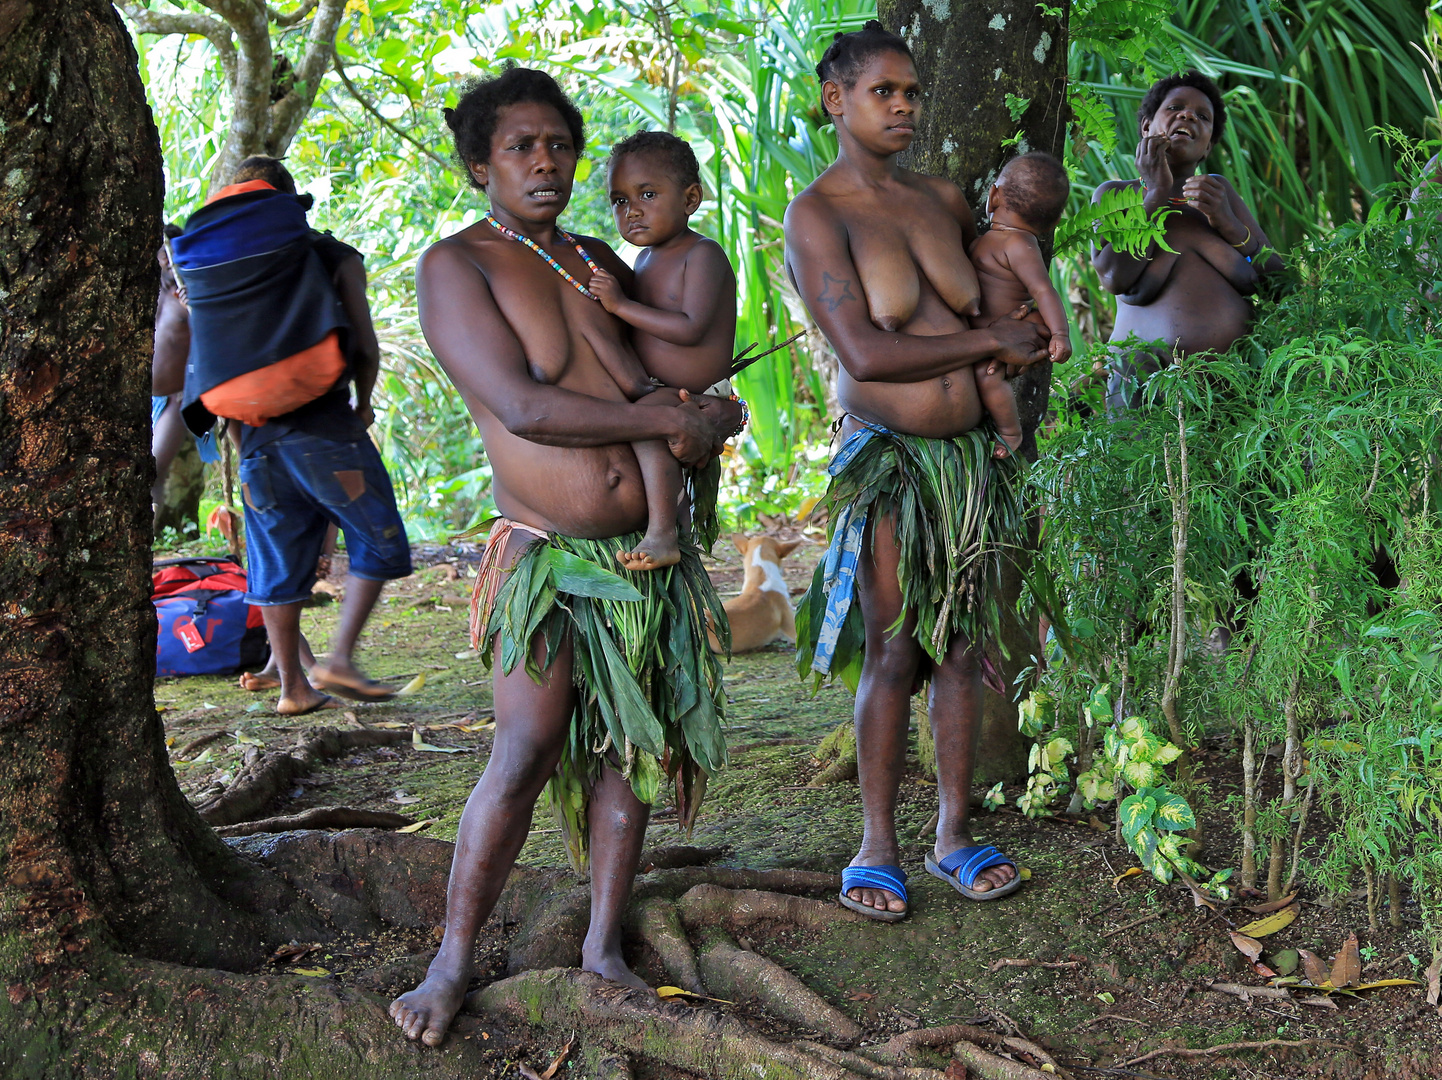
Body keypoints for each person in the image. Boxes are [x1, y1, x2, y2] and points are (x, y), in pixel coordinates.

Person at [389, 67, 740, 1046]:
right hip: (545, 558)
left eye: (559, 145)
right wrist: (656, 419)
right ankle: (451, 964)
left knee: (629, 753)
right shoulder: (456, 268)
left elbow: (665, 372)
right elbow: (523, 406)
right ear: (479, 166)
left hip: (641, 557)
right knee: (525, 745)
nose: (545, 161)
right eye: (519, 147)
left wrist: (709, 413)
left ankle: (600, 950)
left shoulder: (594, 258)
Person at [785, 22, 1049, 921]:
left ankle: (952, 834)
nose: (901, 106)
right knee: (896, 649)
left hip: (969, 462)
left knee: (966, 649)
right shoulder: (818, 214)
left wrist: (1018, 339)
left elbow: (1003, 280)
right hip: (893, 464)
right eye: (882, 92)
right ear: (837, 101)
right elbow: (860, 351)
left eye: (909, 93)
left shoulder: (942, 198)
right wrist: (990, 340)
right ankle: (876, 845)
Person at [172, 156, 409, 715]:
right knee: (381, 540)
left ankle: (292, 689)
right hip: (323, 427)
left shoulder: (213, 269)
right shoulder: (328, 254)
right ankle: (341, 659)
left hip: (250, 440)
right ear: (289, 202)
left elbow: (208, 367)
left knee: (275, 563)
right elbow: (365, 347)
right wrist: (366, 404)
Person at [587, 130, 738, 570]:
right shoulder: (646, 259)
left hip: (692, 392)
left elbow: (689, 329)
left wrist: (620, 305)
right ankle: (677, 529)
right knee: (645, 421)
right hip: (660, 388)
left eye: (647, 194)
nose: (631, 210)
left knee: (647, 426)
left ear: (691, 198)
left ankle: (662, 533)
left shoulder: (703, 255)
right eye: (619, 200)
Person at [1092, 72, 1283, 411]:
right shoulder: (1116, 194)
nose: (1188, 115)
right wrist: (1156, 195)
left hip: (1233, 385)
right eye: (1176, 107)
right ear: (1147, 127)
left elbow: (1279, 284)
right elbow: (1113, 276)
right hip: (1143, 383)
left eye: (1202, 116)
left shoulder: (1218, 195)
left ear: (1208, 145)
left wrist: (1229, 224)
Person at [969, 152, 1074, 457]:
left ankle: (1010, 432)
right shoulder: (995, 240)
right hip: (992, 331)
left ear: (993, 196)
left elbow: (1043, 290)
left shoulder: (1018, 244)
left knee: (986, 375)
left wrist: (1060, 334)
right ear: (1053, 221)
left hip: (1010, 332)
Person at [151, 225, 219, 517]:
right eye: (160, 251)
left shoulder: (193, 291)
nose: (165, 258)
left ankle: (146, 546)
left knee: (152, 470)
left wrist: (196, 305)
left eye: (170, 251)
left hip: (174, 397)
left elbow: (213, 338)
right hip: (137, 395)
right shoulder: (145, 289)